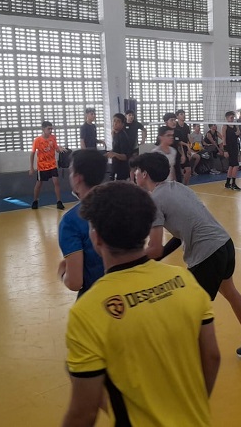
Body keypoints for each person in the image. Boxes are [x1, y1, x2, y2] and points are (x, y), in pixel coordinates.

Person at [61, 181, 220, 427]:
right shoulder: (184, 279)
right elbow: (211, 357)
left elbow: (83, 414)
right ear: (147, 230)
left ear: (97, 238)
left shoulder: (88, 310)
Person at [133, 153, 241, 358]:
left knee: (188, 307)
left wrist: (131, 263)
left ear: (145, 174)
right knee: (229, 291)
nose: (134, 174)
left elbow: (155, 248)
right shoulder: (178, 187)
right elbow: (179, 235)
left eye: (137, 171)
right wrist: (156, 256)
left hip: (208, 254)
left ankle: (184, 357)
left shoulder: (153, 201)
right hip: (224, 244)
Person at [57, 149, 108, 298]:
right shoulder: (121, 205)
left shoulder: (71, 221)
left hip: (96, 298)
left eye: (71, 172)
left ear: (78, 178)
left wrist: (61, 272)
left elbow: (75, 282)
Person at [29, 121, 66, 210]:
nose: (50, 131)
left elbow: (56, 148)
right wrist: (31, 167)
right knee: (39, 184)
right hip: (42, 166)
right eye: (48, 129)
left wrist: (60, 148)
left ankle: (59, 201)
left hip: (52, 164)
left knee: (56, 182)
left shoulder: (53, 138)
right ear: (43, 129)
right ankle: (35, 200)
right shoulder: (37, 140)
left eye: (51, 129)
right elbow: (32, 154)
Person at [221, 111, 241, 191]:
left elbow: (238, 133)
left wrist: (237, 130)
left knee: (231, 165)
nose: (233, 119)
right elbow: (223, 138)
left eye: (233, 117)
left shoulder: (235, 125)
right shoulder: (225, 126)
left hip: (235, 146)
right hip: (229, 147)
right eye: (231, 117)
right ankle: (233, 183)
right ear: (227, 118)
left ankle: (227, 183)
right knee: (235, 165)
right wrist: (225, 149)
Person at [107, 113, 130, 181]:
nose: (115, 123)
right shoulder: (115, 134)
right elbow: (117, 149)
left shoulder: (123, 136)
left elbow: (125, 156)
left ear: (123, 124)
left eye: (118, 121)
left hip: (121, 170)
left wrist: (114, 154)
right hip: (115, 167)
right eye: (114, 121)